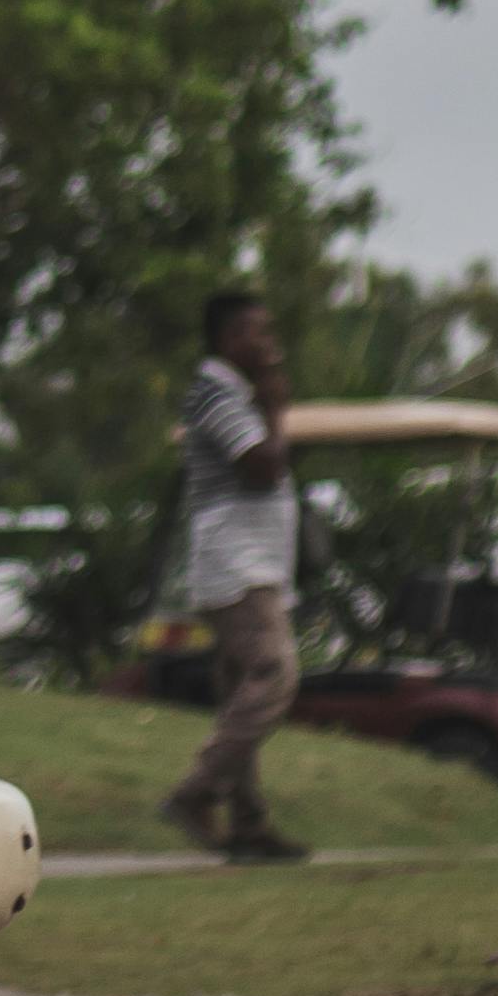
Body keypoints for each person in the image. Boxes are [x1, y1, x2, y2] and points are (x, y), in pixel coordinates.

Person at [164, 282, 309, 862]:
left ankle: (248, 825)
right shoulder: (216, 394)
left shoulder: (228, 393)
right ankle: (196, 792)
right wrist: (276, 409)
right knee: (274, 675)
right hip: (238, 566)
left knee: (241, 695)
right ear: (229, 338)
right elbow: (262, 467)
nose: (270, 344)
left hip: (248, 562)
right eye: (259, 332)